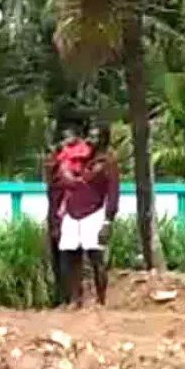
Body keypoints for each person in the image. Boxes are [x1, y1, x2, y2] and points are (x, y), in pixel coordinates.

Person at [55, 122, 119, 307]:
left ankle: (101, 302)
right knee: (70, 256)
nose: (91, 139)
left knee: (95, 258)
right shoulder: (77, 158)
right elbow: (64, 181)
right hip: (72, 212)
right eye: (90, 135)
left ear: (104, 139)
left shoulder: (108, 162)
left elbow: (113, 193)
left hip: (94, 213)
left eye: (96, 135)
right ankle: (75, 299)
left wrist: (108, 220)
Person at [44, 123, 87, 306]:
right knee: (58, 257)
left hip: (71, 215)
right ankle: (62, 297)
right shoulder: (56, 166)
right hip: (56, 214)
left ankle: (73, 298)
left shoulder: (81, 161)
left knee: (71, 257)